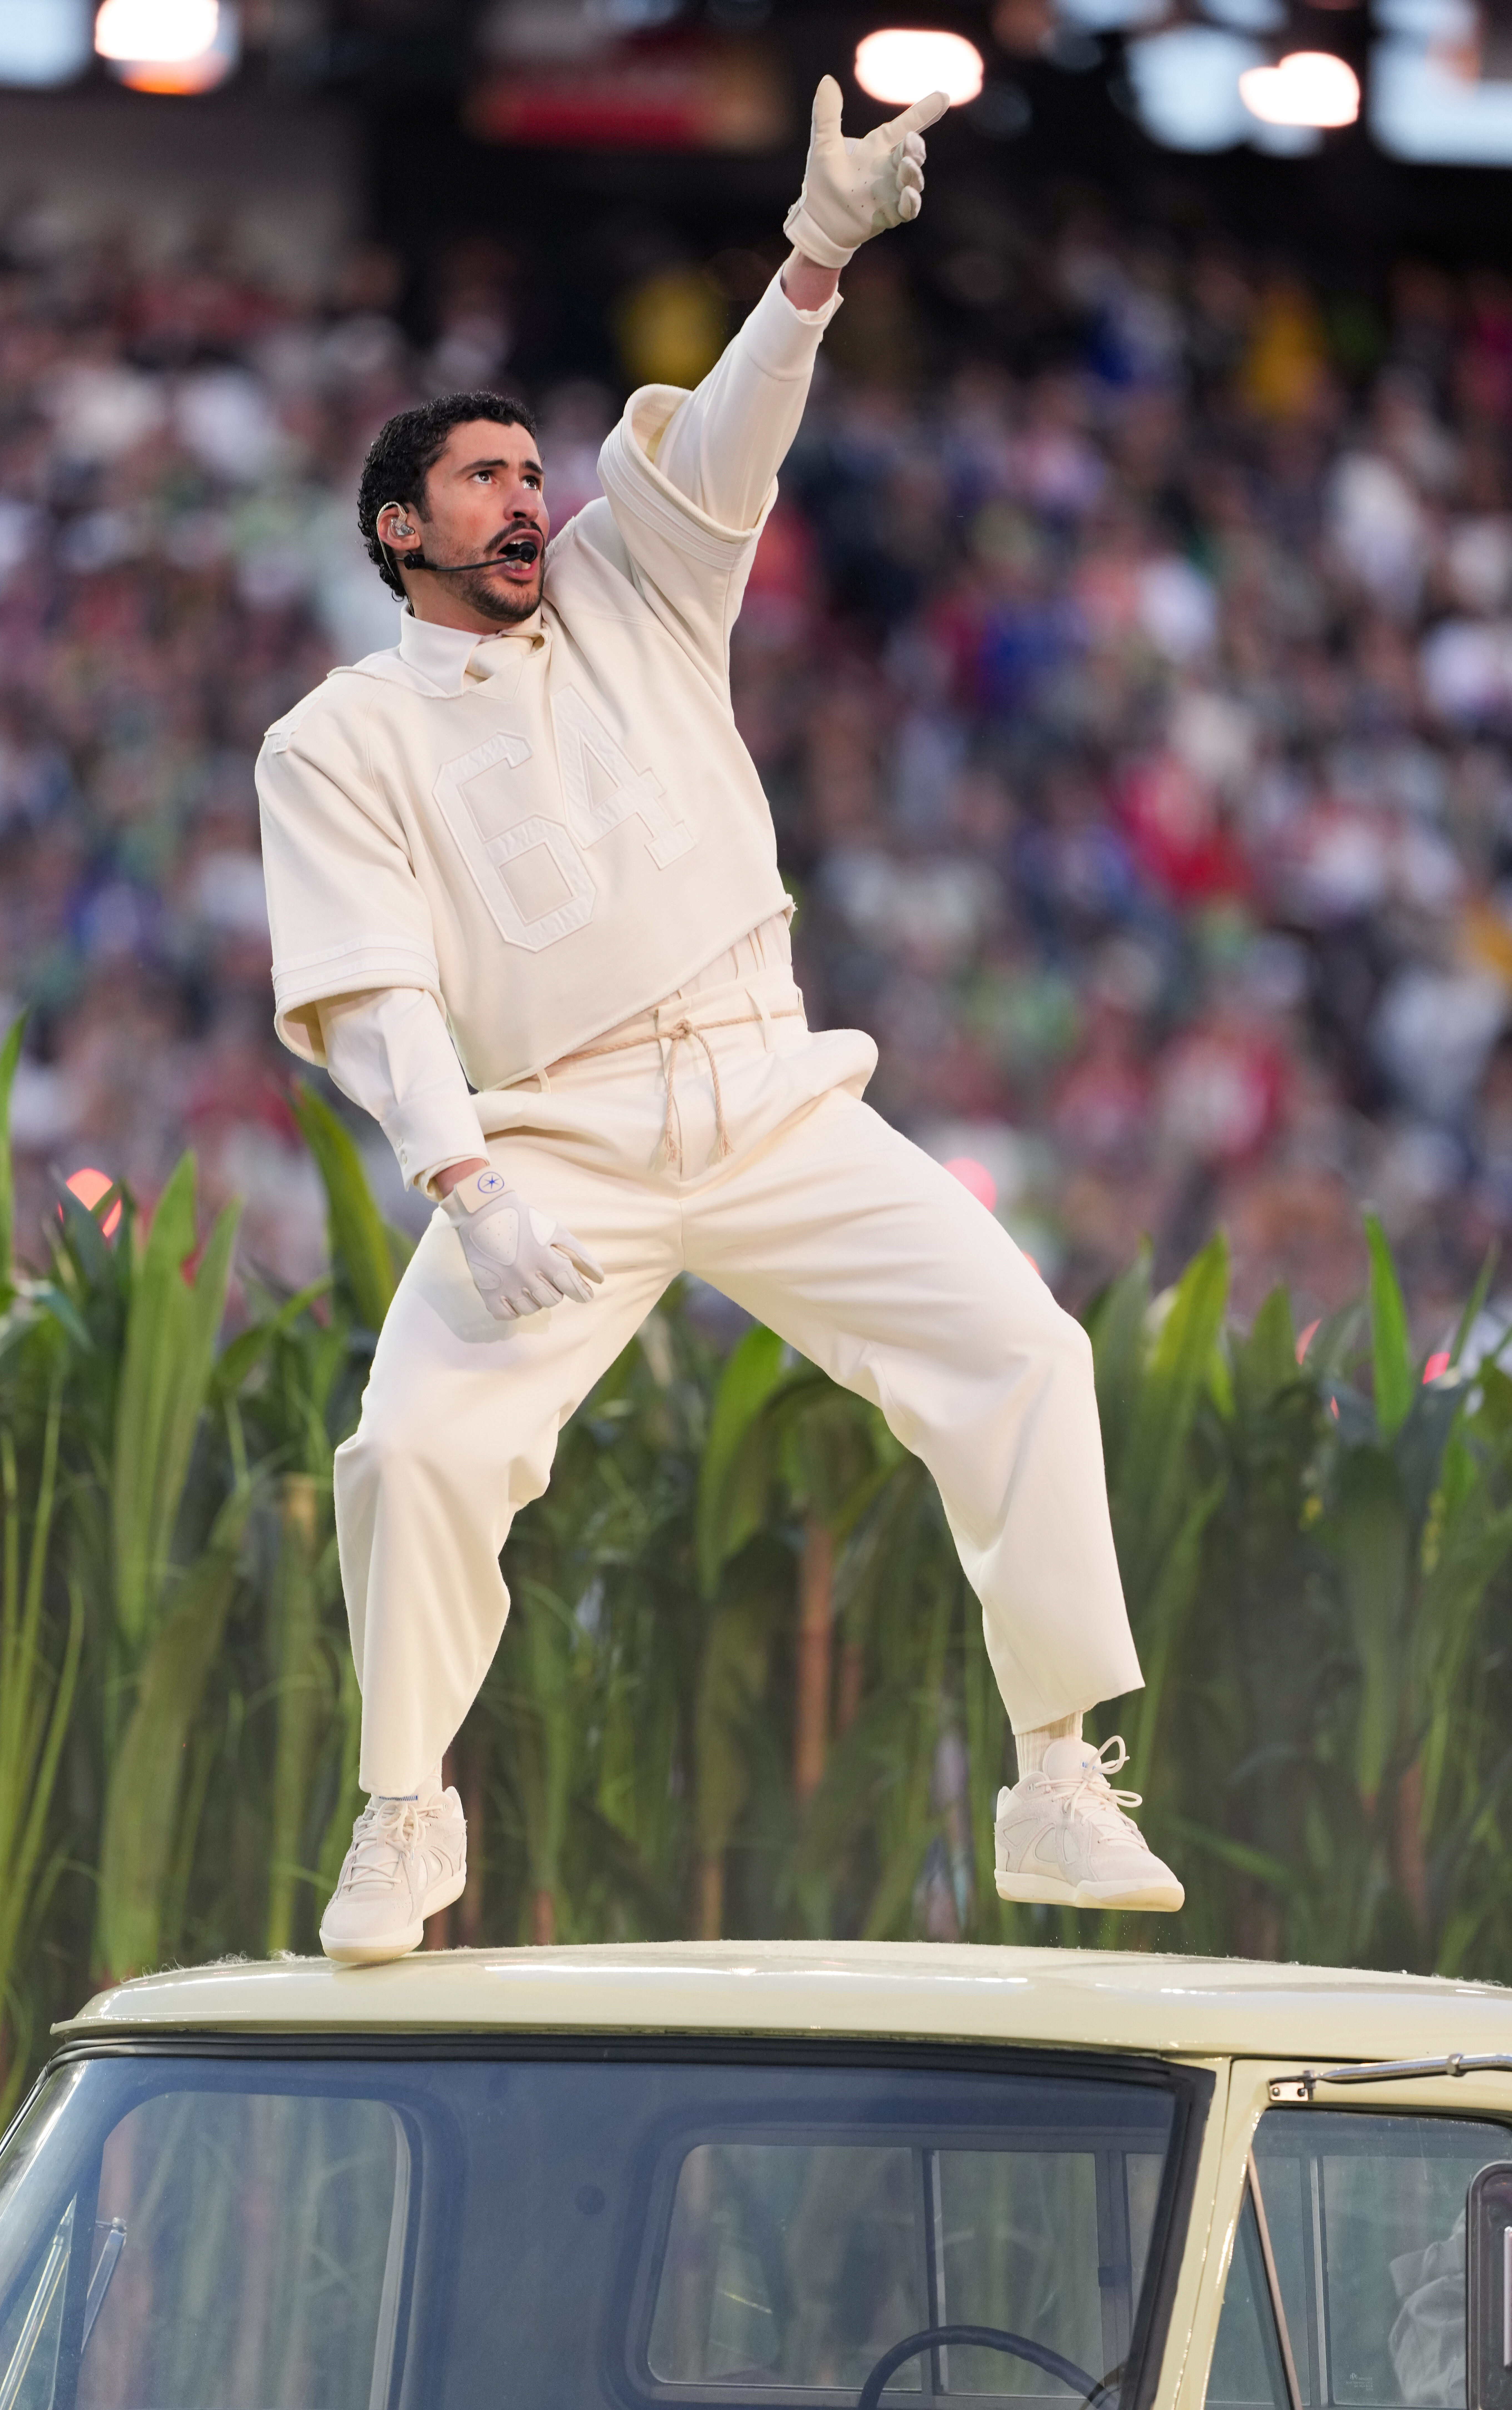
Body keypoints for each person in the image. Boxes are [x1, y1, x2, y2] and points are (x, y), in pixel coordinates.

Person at [257, 75, 1183, 1964]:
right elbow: (371, 984)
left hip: (773, 1095)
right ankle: (403, 1810)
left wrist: (818, 253)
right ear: (394, 528)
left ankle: (1058, 1770)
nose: (530, 498)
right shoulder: (338, 736)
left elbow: (738, 440)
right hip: (552, 1149)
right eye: (485, 481)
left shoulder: (636, 586)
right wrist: (465, 1180)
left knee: (1025, 1351)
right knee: (414, 1454)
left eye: (534, 470)